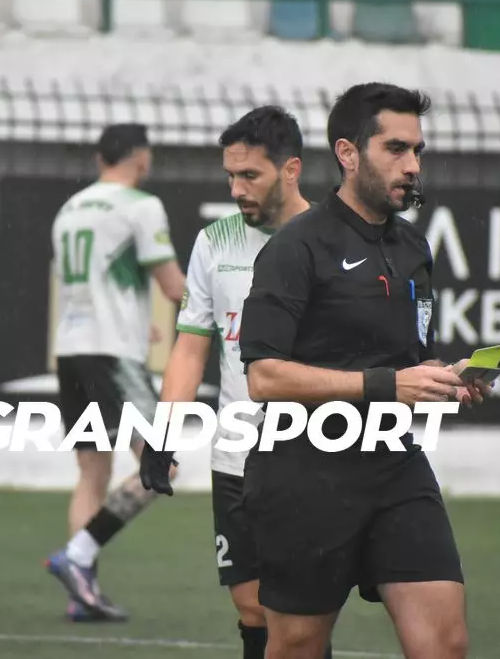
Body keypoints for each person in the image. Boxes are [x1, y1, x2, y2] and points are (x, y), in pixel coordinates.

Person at [235, 83, 493, 659]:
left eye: (417, 150)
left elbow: (407, 365)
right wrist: (387, 385)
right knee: (297, 647)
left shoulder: (413, 248)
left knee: (445, 644)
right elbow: (265, 377)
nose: (412, 165)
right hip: (303, 476)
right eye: (396, 149)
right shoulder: (295, 247)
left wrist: (444, 378)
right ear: (348, 154)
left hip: (395, 466)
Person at [140, 106, 334, 659]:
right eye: (230, 175)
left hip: (314, 457)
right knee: (251, 608)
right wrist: (163, 433)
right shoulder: (214, 242)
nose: (236, 189)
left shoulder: (331, 239)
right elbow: (191, 346)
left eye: (250, 175)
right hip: (236, 459)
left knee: (300, 619)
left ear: (291, 170)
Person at [44, 122, 187, 622]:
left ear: (98, 158)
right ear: (141, 157)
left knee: (92, 471)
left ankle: (81, 593)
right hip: (112, 353)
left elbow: (94, 282)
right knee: (161, 467)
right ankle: (77, 556)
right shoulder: (140, 205)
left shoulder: (70, 209)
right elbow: (174, 287)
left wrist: (134, 321)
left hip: (72, 349)